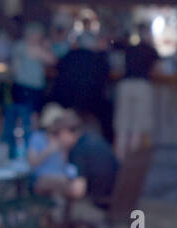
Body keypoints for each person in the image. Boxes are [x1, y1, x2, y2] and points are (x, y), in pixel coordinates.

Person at [5, 21, 55, 157]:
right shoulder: (29, 47)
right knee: (29, 118)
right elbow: (51, 60)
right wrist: (47, 47)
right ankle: (28, 147)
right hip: (28, 88)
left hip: (24, 87)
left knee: (25, 117)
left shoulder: (19, 46)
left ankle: (23, 146)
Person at [51, 31, 112, 138]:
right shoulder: (99, 58)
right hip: (91, 100)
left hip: (66, 98)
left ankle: (58, 137)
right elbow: (105, 76)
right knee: (107, 112)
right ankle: (107, 142)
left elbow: (58, 69)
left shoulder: (69, 55)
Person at [115, 23, 160, 158]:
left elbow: (120, 66)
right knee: (137, 128)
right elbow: (159, 70)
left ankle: (119, 161)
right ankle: (131, 163)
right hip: (142, 86)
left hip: (125, 85)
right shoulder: (151, 51)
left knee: (122, 127)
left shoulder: (129, 49)